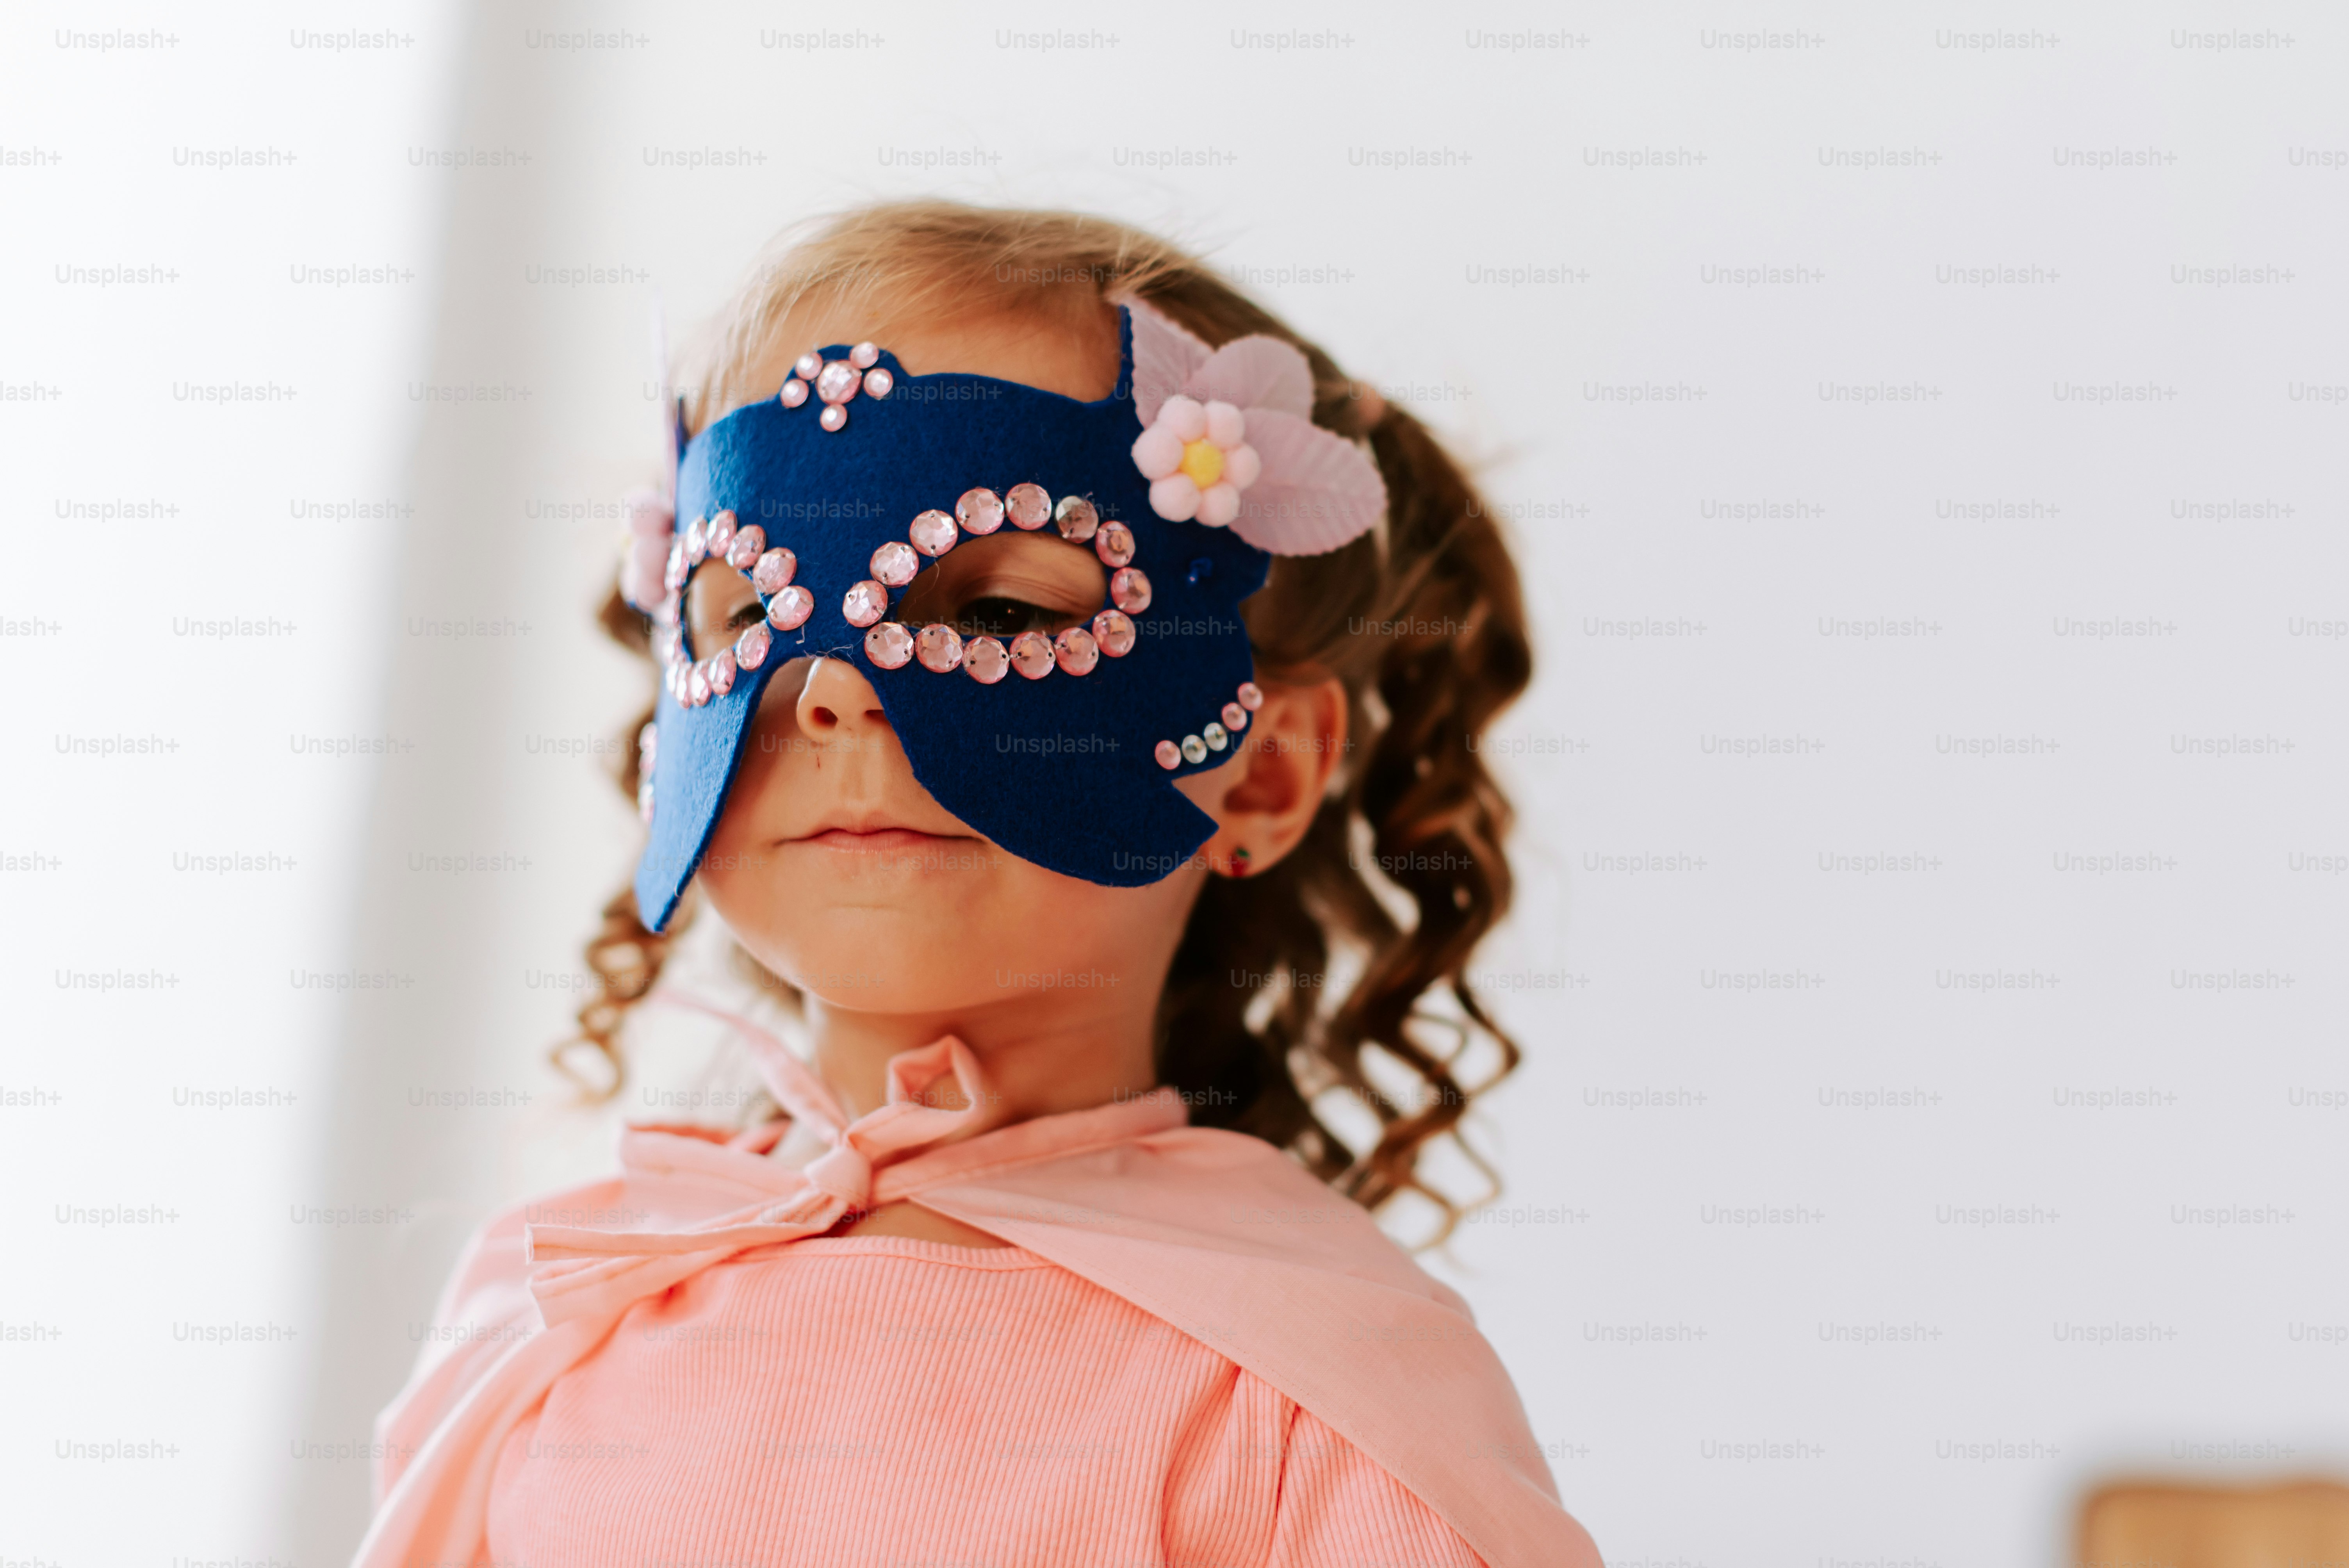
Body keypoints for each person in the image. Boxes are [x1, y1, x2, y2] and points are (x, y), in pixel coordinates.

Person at [354, 201, 1599, 1568]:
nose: (828, 691)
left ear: (1262, 773)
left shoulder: (1320, 1401)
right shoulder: (560, 1296)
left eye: (1001, 614)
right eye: (751, 614)